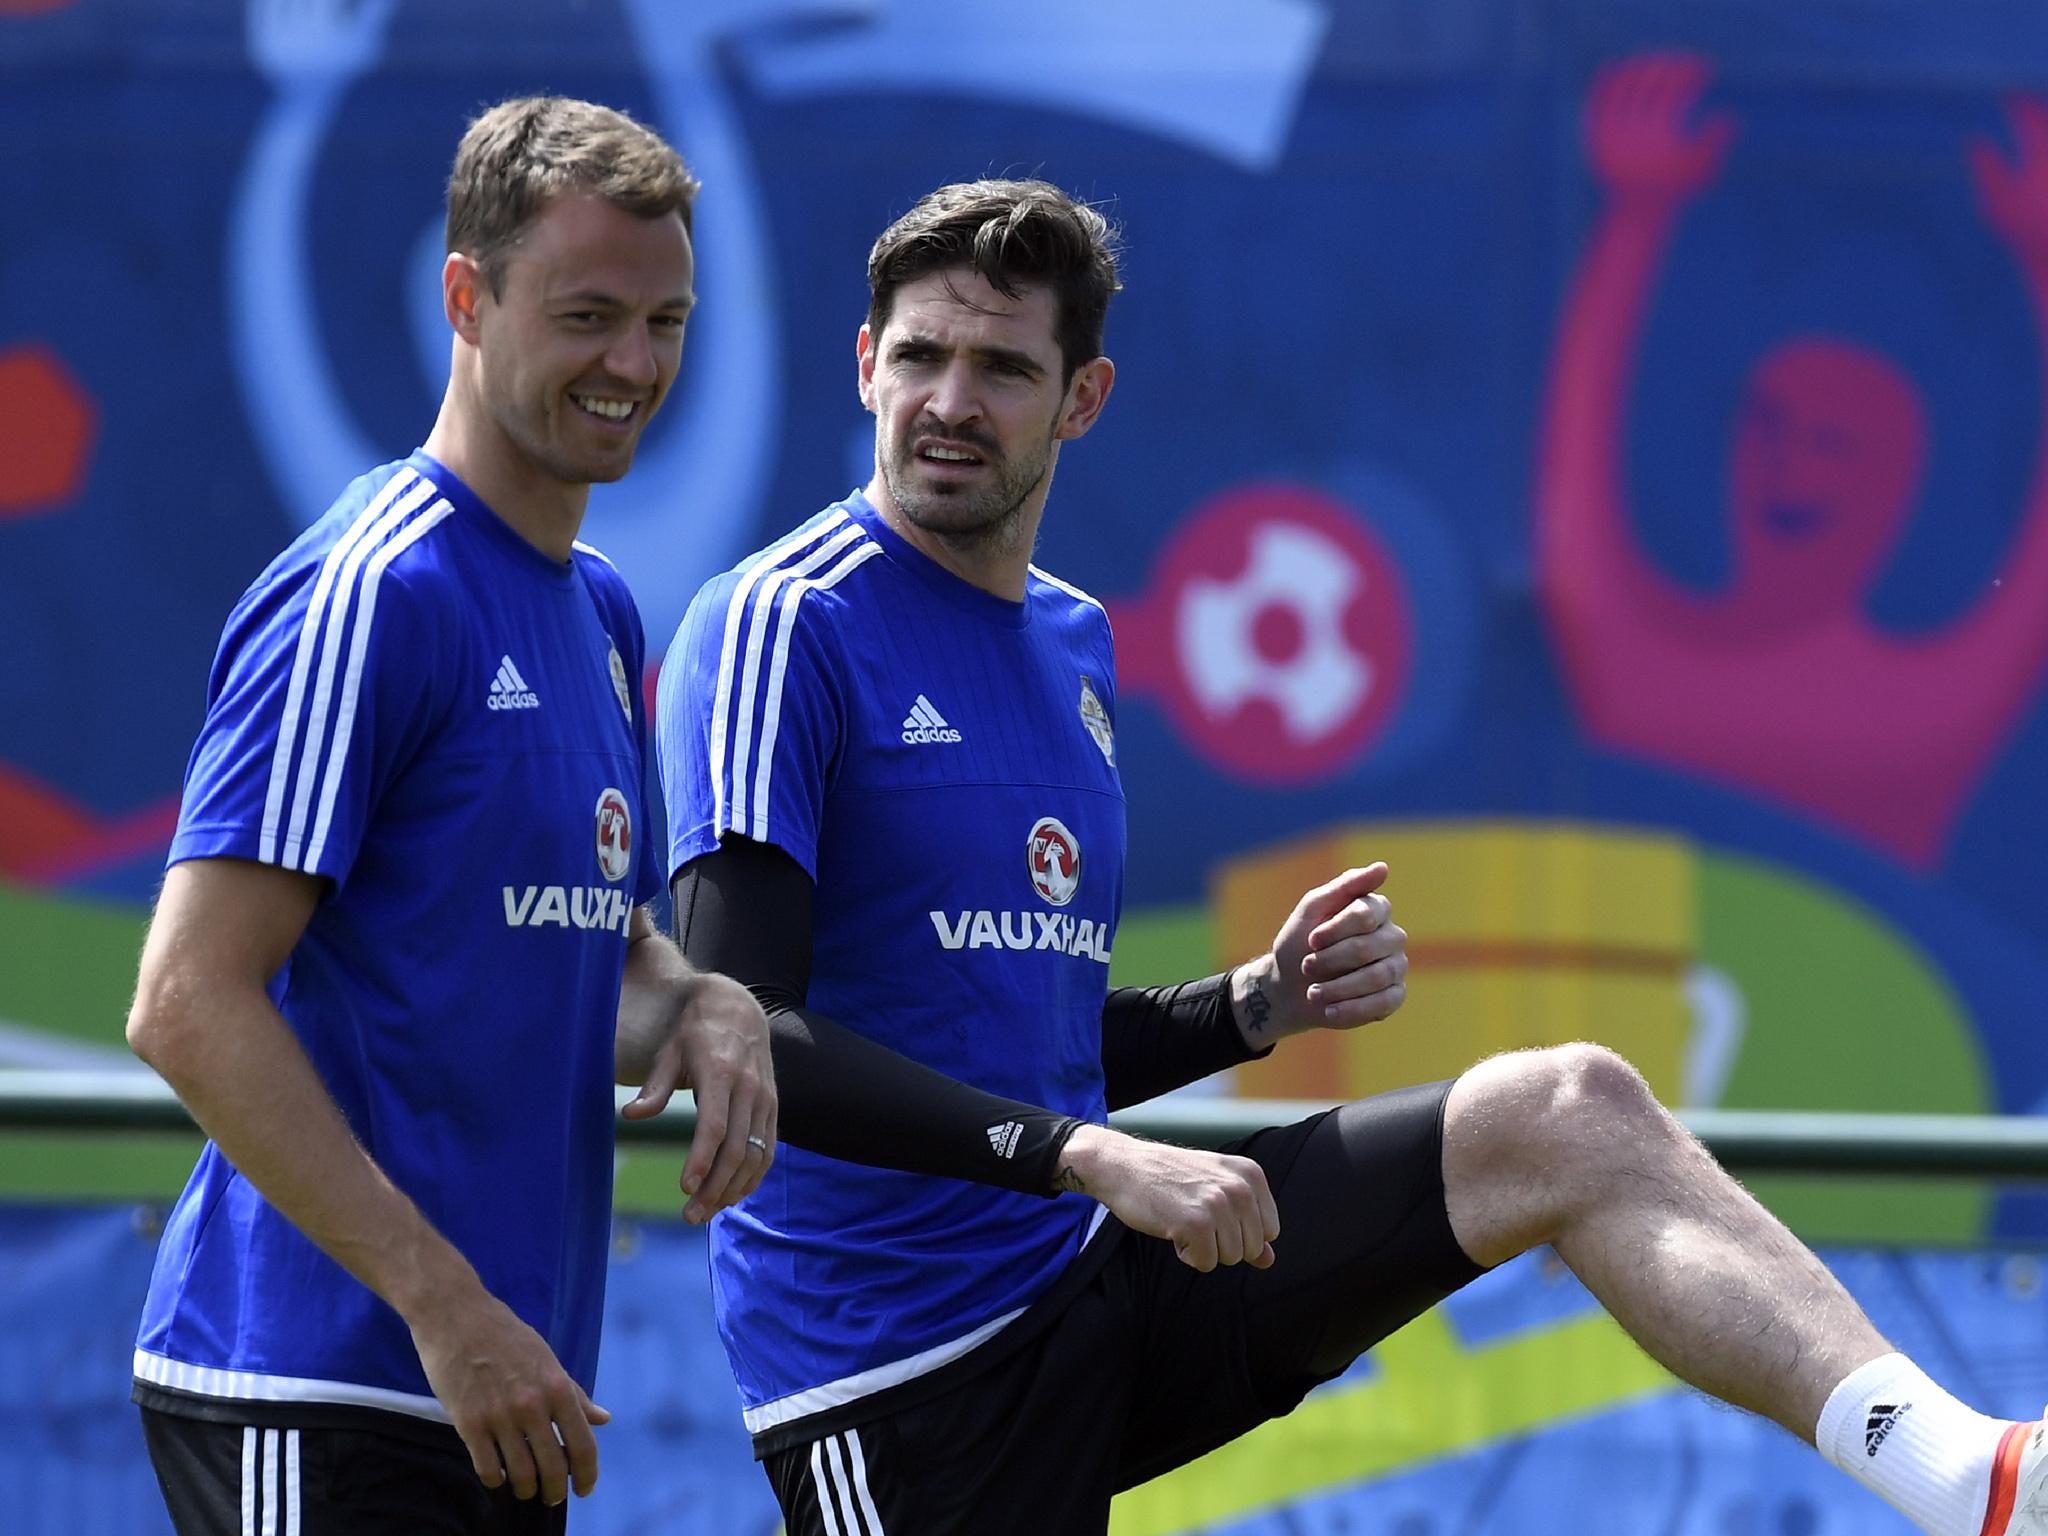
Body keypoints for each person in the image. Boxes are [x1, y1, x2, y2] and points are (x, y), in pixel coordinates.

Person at [655, 174, 2047, 1536]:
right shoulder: (784, 623)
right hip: (900, 1376)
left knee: (1569, 1110)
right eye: (922, 357)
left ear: (1084, 399)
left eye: (1003, 368)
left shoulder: (1071, 642)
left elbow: (1004, 1029)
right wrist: (1085, 1153)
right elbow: (745, 1040)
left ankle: (1973, 1480)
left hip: (1089, 1273)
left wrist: (1249, 1009)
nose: (951, 402)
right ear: (862, 365)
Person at [125, 96, 774, 1535]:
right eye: (590, 314)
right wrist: (440, 1301)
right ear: (465, 300)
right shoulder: (371, 593)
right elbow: (184, 999)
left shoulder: (599, 608)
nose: (635, 364)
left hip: (498, 1384)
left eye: (666, 322)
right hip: (322, 1379)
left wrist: (698, 1003)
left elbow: (582, 947)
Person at [1537, 52, 2048, 869]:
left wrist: (1639, 213)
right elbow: (1575, 476)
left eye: (1834, 445)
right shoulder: (1634, 651)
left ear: (1903, 488)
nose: (1784, 468)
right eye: (1766, 427)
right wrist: (1636, 216)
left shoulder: (1930, 706)